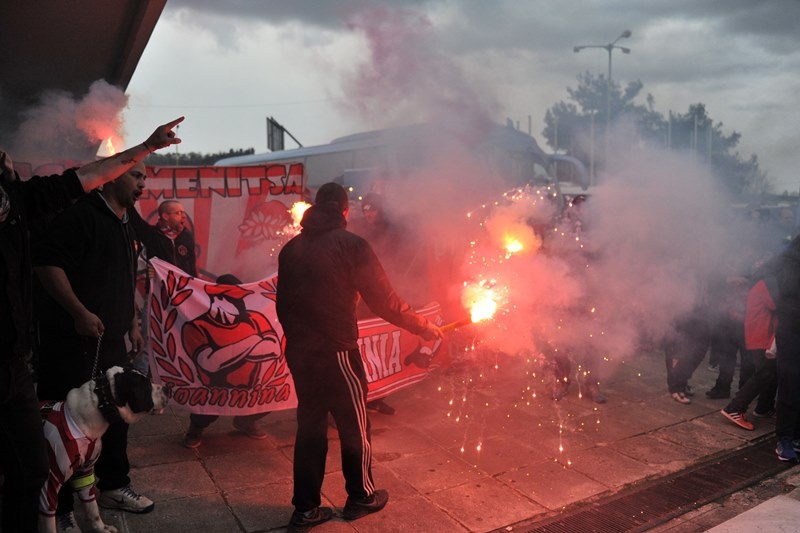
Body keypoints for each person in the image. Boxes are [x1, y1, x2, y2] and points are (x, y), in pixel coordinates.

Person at [0, 117, 182, 533]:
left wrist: (132, 323)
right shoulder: (80, 216)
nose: (141, 183)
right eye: (134, 174)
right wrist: (79, 312)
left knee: (113, 418)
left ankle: (113, 484)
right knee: (66, 431)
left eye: (143, 176)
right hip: (73, 345)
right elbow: (47, 263)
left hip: (107, 340)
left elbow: (124, 277)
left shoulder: (125, 222)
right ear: (110, 178)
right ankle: (60, 506)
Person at [276, 182, 442, 531]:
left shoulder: (291, 248)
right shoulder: (352, 245)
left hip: (301, 352)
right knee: (355, 425)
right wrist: (423, 327)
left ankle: (305, 509)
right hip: (337, 350)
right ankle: (361, 496)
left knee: (310, 428)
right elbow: (385, 301)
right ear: (345, 210)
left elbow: (282, 305)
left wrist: (299, 341)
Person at [181, 273, 281, 448]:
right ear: (217, 298)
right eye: (232, 298)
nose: (238, 303)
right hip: (213, 390)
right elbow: (209, 363)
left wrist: (226, 352)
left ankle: (246, 421)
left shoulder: (255, 318)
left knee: (273, 397)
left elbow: (273, 348)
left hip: (248, 388)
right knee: (204, 409)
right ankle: (196, 428)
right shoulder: (197, 325)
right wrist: (253, 340)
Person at [720, 273, 779, 430]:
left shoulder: (762, 283)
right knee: (764, 373)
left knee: (769, 373)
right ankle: (734, 408)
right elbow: (777, 304)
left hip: (759, 334)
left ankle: (763, 408)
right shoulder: (767, 284)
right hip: (761, 335)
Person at [774, 235, 800, 462]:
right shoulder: (790, 259)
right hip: (792, 331)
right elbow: (789, 288)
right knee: (790, 384)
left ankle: (797, 436)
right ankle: (785, 438)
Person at [128, 199, 197, 277]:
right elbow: (135, 220)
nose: (184, 216)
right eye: (179, 213)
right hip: (160, 284)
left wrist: (195, 283)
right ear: (165, 216)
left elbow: (192, 268)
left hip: (183, 284)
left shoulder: (186, 236)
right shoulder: (152, 235)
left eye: (183, 213)